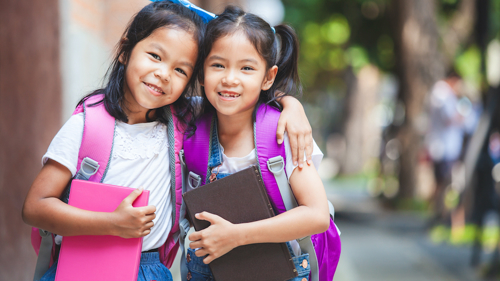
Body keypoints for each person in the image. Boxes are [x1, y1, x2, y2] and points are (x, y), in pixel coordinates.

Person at [22, 2, 313, 280]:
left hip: (150, 268)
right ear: (126, 50)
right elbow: (35, 207)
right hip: (82, 263)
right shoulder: (86, 124)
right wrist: (112, 224)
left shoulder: (184, 118)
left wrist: (290, 104)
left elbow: (236, 100)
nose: (163, 75)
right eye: (155, 56)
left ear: (191, 80)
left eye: (180, 70)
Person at [182, 6, 334, 281]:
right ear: (201, 72)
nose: (230, 78)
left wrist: (237, 236)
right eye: (218, 65)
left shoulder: (284, 134)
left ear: (268, 77)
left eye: (246, 68)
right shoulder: (188, 123)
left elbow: (317, 215)